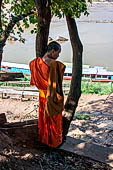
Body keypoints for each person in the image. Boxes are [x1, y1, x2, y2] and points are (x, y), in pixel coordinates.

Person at [29, 41, 66, 148]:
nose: (58, 56)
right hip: (52, 97)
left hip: (42, 96)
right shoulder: (56, 65)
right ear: (52, 51)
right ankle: (54, 142)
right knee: (54, 120)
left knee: (44, 119)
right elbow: (59, 80)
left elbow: (34, 81)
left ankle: (44, 139)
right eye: (58, 53)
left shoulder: (33, 63)